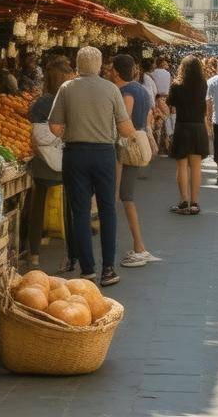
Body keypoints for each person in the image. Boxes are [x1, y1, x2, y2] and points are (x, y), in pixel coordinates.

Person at [48, 47, 134, 287]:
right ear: (99, 65)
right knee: (108, 210)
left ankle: (87, 269)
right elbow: (125, 129)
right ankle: (108, 269)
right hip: (104, 154)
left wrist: (71, 130)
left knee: (80, 212)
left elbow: (54, 127)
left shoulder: (66, 88)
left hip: (75, 155)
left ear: (78, 64)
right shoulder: (111, 89)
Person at [109, 54, 160, 268]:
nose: (108, 72)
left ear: (116, 72)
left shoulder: (126, 92)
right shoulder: (141, 89)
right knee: (125, 196)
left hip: (126, 149)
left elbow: (124, 124)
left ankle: (139, 247)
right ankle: (138, 246)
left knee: (124, 196)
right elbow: (148, 117)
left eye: (110, 69)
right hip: (137, 146)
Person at [26, 63, 76, 273]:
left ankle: (34, 256)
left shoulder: (41, 102)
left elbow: (30, 121)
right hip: (67, 161)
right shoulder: (71, 101)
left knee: (37, 206)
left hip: (43, 162)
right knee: (69, 210)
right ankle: (70, 256)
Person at [167, 56, 209, 215]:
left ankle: (184, 201)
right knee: (196, 166)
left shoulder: (176, 85)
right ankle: (194, 203)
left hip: (182, 126)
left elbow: (170, 103)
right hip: (198, 127)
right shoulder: (203, 84)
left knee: (182, 166)